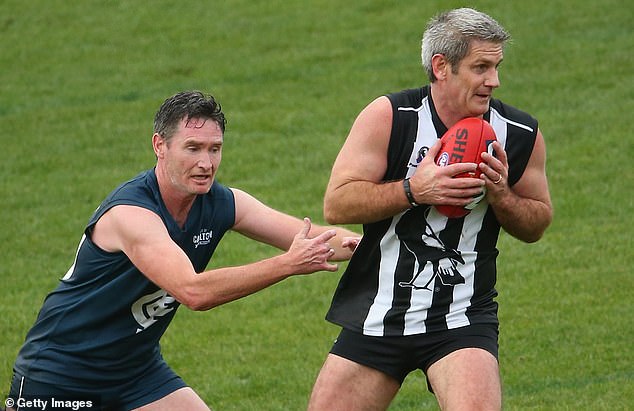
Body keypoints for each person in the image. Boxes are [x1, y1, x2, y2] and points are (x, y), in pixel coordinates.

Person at [6, 90, 360, 410]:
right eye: (193, 148)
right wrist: (287, 265)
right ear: (160, 146)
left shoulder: (223, 202)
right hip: (62, 375)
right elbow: (193, 291)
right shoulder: (131, 214)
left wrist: (367, 245)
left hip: (136, 372)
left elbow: (310, 237)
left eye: (214, 149)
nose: (206, 163)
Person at [307, 7, 552, 411]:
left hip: (462, 318)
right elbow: (337, 203)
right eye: (481, 67)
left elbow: (537, 223)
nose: (494, 80)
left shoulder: (520, 133)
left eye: (496, 66)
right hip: (378, 313)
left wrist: (502, 195)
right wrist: (413, 189)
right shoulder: (391, 118)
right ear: (441, 66)